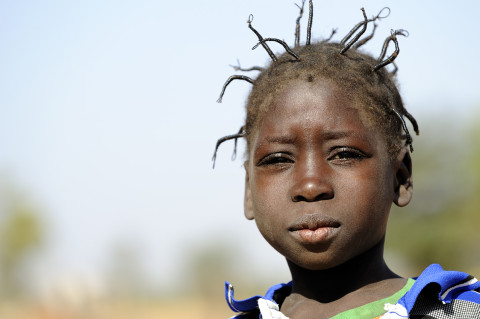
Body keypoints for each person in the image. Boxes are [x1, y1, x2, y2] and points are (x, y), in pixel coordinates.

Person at [213, 2, 480, 318]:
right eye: (277, 159)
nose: (311, 186)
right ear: (248, 192)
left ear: (400, 177)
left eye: (344, 155)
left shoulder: (457, 312)